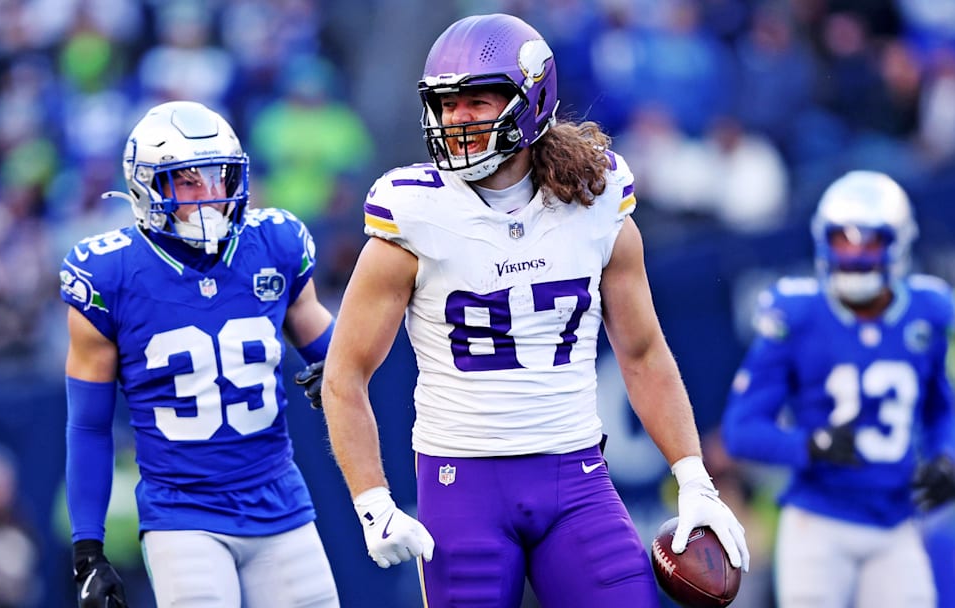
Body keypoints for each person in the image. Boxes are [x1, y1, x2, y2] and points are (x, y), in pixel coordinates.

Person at [317, 13, 749, 608]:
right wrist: (371, 501)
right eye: (446, 104)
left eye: (476, 100)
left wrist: (693, 477)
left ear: (530, 102)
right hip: (460, 483)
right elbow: (345, 374)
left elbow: (643, 352)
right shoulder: (414, 215)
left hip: (575, 478)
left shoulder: (595, 201)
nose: (456, 119)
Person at [59, 100, 340, 608]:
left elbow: (335, 349)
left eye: (220, 179)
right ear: (146, 186)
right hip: (182, 513)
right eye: (188, 182)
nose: (210, 197)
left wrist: (342, 368)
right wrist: (88, 549)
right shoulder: (109, 275)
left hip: (281, 501)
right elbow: (89, 425)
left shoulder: (274, 244)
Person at [721, 170, 955, 607]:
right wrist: (810, 445)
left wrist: (945, 457)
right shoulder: (798, 314)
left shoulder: (927, 312)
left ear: (898, 244)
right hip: (819, 521)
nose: (854, 255)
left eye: (868, 242)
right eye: (843, 241)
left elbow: (939, 409)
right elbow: (741, 430)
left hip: (895, 521)